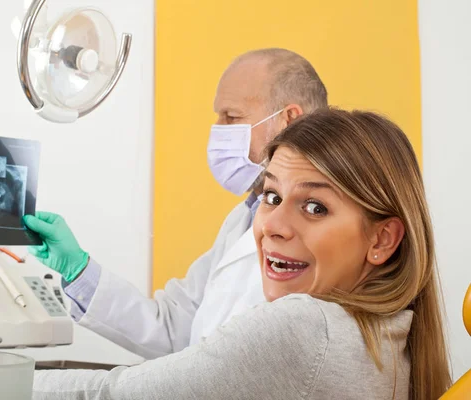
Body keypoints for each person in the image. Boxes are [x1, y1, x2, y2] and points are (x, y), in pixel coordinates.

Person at [31, 109, 451, 399]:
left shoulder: (306, 327)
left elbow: (113, 395)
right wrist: (80, 271)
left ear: (382, 240)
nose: (272, 225)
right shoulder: (391, 333)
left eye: (315, 207)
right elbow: (181, 330)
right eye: (271, 195)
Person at [23, 49, 329, 359]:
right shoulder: (244, 217)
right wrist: (78, 270)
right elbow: (174, 329)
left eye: (232, 117)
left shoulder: (330, 228)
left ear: (290, 119)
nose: (218, 130)